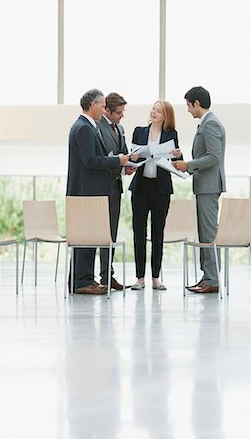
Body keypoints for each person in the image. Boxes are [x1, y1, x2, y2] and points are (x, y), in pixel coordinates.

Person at [66, 88, 128, 295]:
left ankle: (83, 280)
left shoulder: (87, 126)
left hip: (88, 191)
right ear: (93, 105)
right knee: (86, 239)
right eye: (102, 106)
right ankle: (82, 281)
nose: (104, 110)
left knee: (87, 237)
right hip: (87, 192)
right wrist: (117, 160)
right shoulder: (84, 128)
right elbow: (90, 161)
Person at [173, 86, 226, 293]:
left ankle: (212, 280)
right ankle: (208, 277)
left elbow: (214, 157)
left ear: (196, 103)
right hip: (205, 186)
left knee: (209, 233)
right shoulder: (206, 123)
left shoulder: (210, 124)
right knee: (205, 233)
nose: (187, 110)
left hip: (209, 187)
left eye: (188, 105)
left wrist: (189, 165)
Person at [129, 100, 181, 291]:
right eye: (153, 109)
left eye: (158, 111)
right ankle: (140, 278)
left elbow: (177, 159)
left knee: (158, 232)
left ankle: (156, 277)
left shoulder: (171, 134)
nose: (154, 112)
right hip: (141, 188)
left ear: (166, 116)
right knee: (139, 232)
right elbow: (132, 154)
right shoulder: (139, 131)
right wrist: (132, 157)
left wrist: (177, 154)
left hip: (161, 189)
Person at [96, 92, 134, 290]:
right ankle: (102, 276)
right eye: (119, 112)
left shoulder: (120, 128)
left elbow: (123, 154)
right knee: (99, 234)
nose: (122, 116)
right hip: (101, 188)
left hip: (115, 187)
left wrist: (128, 165)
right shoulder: (98, 128)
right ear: (107, 111)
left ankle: (107, 275)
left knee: (111, 233)